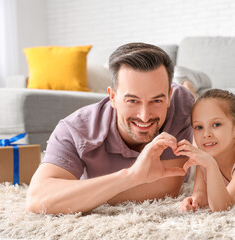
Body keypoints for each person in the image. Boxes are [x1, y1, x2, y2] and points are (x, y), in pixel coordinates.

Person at [26, 43, 195, 214]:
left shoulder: (181, 104)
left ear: (168, 97)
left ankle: (189, 84)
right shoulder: (74, 130)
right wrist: (131, 177)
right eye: (132, 101)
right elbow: (38, 200)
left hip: (184, 93)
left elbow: (168, 186)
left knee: (194, 97)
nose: (145, 116)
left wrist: (84, 193)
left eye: (156, 100)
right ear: (112, 97)